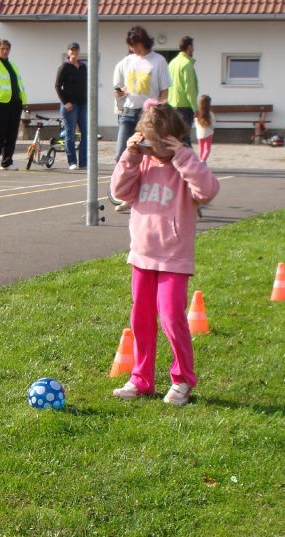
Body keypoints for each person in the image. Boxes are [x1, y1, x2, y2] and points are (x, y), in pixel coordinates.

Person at [109, 102, 220, 406]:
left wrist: (183, 156)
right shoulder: (143, 162)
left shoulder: (185, 165)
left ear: (173, 138)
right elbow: (120, 191)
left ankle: (182, 379)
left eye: (159, 144)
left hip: (173, 258)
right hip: (142, 256)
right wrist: (130, 156)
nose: (154, 151)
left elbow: (208, 190)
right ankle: (141, 379)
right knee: (141, 319)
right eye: (149, 143)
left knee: (171, 317)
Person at [112, 26, 171, 212]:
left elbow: (164, 90)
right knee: (122, 153)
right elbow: (121, 87)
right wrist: (119, 93)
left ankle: (146, 194)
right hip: (128, 111)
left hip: (148, 114)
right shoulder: (127, 61)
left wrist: (159, 111)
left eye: (135, 45)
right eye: (130, 46)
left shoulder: (158, 61)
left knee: (148, 156)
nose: (133, 49)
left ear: (143, 42)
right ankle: (128, 196)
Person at [0, 39, 26, 171]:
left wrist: (22, 101)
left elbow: (18, 84)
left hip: (14, 104)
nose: (5, 51)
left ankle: (7, 162)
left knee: (11, 135)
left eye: (7, 49)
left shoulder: (12, 65)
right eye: (2, 49)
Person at [55, 42, 88, 170]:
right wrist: (65, 102)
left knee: (86, 133)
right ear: (68, 52)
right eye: (71, 50)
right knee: (70, 134)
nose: (74, 52)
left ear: (79, 51)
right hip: (70, 106)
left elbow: (86, 84)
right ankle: (72, 161)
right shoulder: (64, 67)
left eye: (76, 50)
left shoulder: (83, 67)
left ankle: (83, 162)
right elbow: (57, 86)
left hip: (83, 104)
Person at [168, 36, 199, 147]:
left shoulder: (172, 63)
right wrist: (195, 108)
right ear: (189, 47)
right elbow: (190, 89)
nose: (194, 49)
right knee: (185, 139)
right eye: (193, 46)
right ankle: (187, 158)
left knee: (175, 138)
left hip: (172, 105)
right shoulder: (187, 64)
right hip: (185, 107)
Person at [195, 94, 215, 163]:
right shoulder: (210, 114)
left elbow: (196, 124)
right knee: (207, 149)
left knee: (201, 148)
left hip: (199, 134)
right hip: (208, 134)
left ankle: (200, 161)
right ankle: (203, 161)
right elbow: (213, 125)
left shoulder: (197, 114)